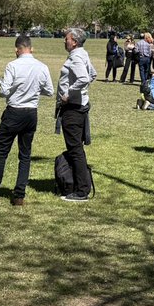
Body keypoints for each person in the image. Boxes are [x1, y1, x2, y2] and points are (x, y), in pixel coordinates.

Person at [0, 34, 54, 205]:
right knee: (25, 155)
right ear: (31, 49)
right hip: (31, 113)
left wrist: (5, 88)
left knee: (1, 153)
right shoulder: (42, 66)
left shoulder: (12, 66)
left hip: (14, 112)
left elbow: (4, 92)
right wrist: (36, 90)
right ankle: (19, 195)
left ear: (17, 50)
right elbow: (50, 91)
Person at [57, 27, 95, 202]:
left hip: (73, 108)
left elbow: (84, 78)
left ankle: (81, 190)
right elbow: (92, 74)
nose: (64, 41)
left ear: (75, 41)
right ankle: (79, 185)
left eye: (67, 38)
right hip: (79, 105)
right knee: (76, 148)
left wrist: (68, 93)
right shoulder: (82, 54)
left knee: (75, 149)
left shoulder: (77, 56)